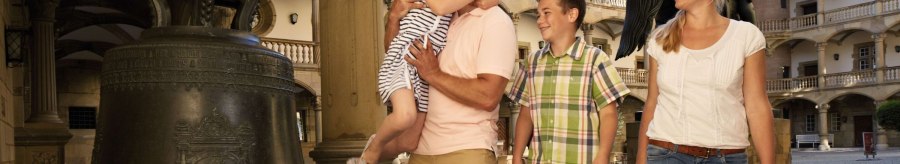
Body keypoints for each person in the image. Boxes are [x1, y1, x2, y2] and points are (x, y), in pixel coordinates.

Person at [351, 0, 499, 163]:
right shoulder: (443, 6)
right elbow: (439, 8)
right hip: (404, 62)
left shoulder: (461, 13)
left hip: (420, 71)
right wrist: (393, 17)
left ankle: (371, 151)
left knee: (410, 140)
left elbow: (485, 3)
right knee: (405, 116)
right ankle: (372, 150)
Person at [636, 0, 775, 163]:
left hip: (726, 156)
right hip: (666, 154)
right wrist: (640, 158)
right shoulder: (660, 38)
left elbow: (757, 107)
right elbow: (652, 103)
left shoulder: (746, 36)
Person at [506, 0, 631, 163]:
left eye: (546, 13)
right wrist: (517, 156)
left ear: (572, 15)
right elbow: (525, 115)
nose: (539, 20)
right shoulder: (532, 63)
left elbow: (608, 114)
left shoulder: (595, 59)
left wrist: (603, 155)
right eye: (538, 14)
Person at [402, 0, 515, 163]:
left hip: (467, 150)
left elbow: (488, 96)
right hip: (420, 151)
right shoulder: (438, 18)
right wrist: (393, 19)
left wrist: (433, 73)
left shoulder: (496, 21)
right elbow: (400, 58)